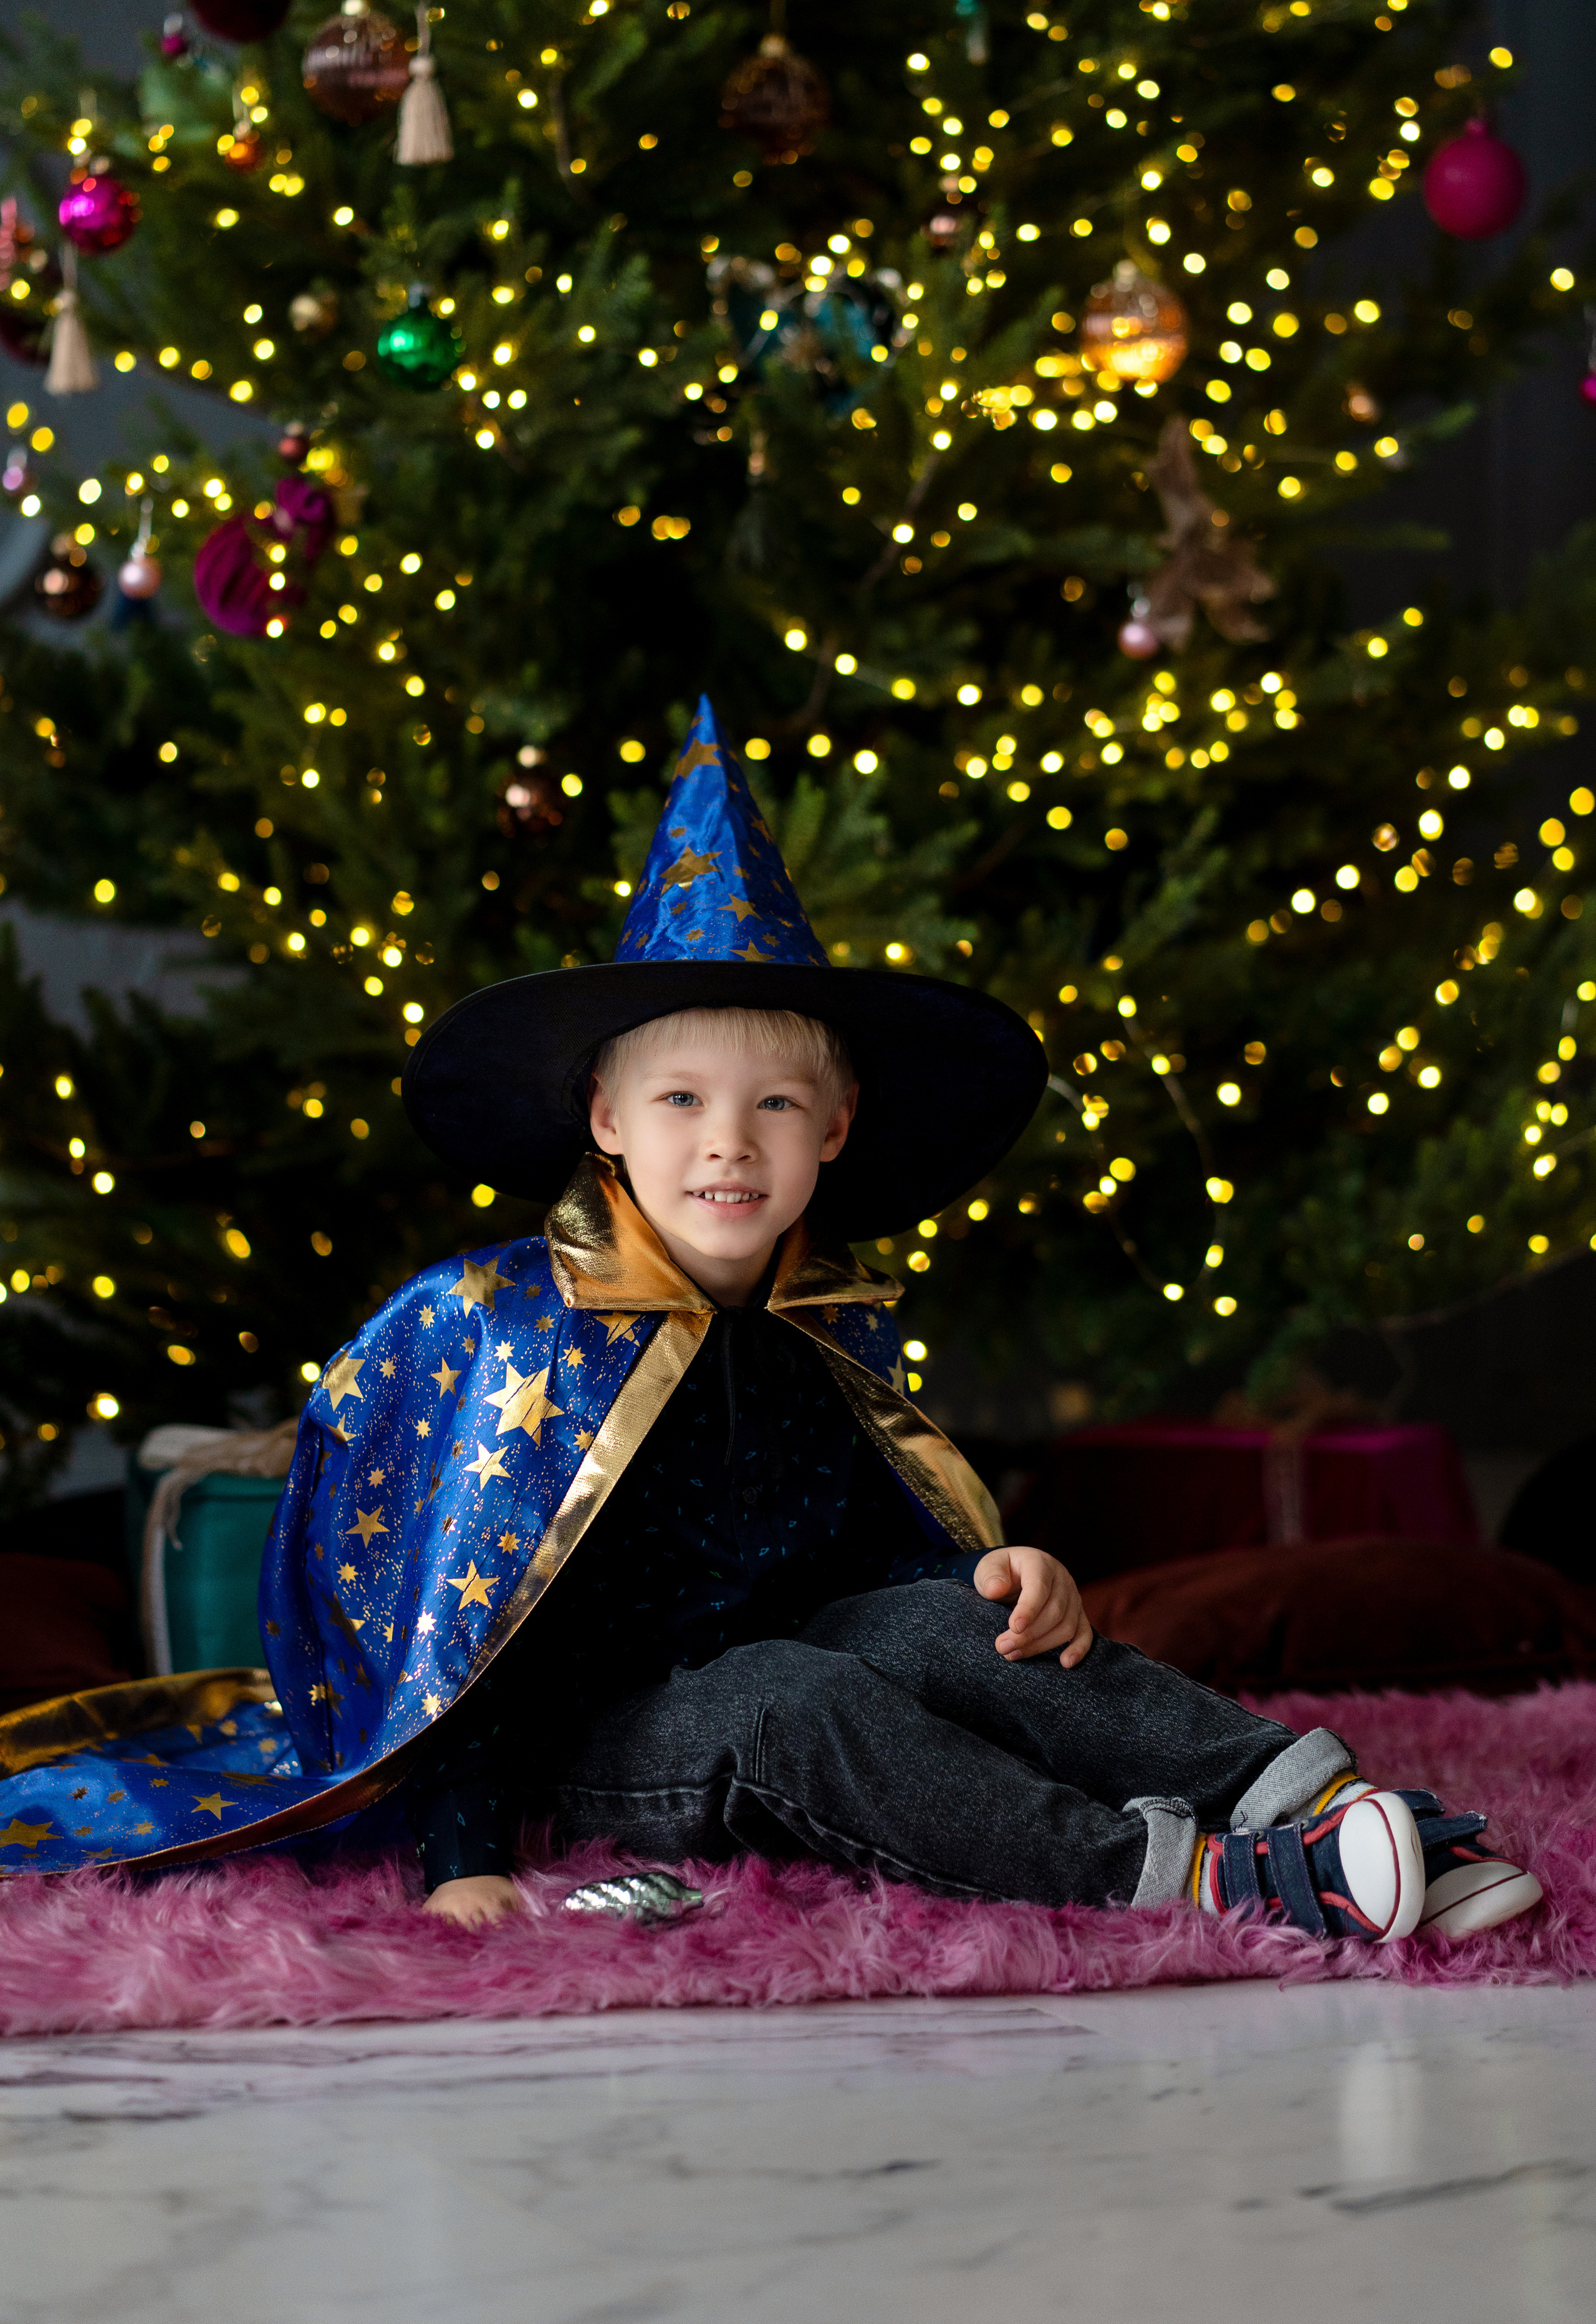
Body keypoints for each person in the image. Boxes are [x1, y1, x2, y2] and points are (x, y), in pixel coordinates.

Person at [0, 706, 1542, 1948]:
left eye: (773, 1106)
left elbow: (887, 1566)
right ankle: (1198, 1879)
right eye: (678, 1101)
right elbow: (435, 1629)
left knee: (946, 1627)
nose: (725, 1146)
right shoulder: (501, 1329)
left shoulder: (825, 1312)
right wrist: (459, 1852)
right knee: (797, 1702)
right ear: (604, 1118)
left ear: (835, 1127)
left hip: (800, 1644)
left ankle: (1324, 1809)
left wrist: (996, 1575)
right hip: (591, 1747)